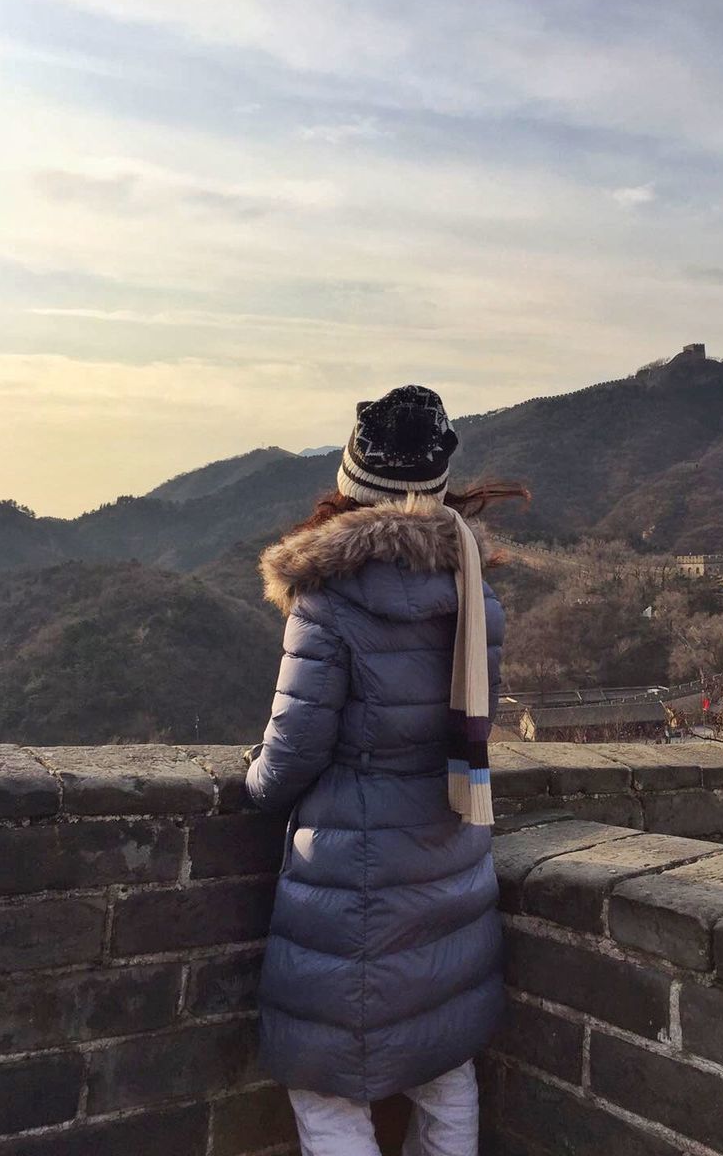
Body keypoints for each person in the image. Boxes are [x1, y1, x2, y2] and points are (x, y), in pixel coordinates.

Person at [244, 385, 528, 1156]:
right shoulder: (476, 593)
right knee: (442, 1065)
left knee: (326, 1083)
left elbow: (290, 754)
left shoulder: (328, 600)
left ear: (350, 485)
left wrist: (252, 784)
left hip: (353, 878)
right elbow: (472, 728)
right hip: (451, 854)